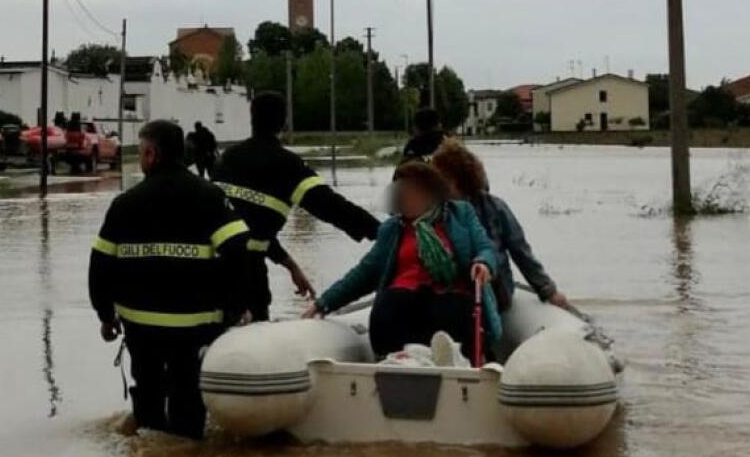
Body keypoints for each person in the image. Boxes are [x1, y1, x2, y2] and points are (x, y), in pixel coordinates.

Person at [89, 120, 253, 439]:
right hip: (196, 324)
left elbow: (100, 266)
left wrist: (106, 316)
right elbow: (238, 252)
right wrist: (236, 307)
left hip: (141, 326)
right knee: (189, 396)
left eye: (141, 152)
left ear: (151, 154)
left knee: (147, 394)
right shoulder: (209, 196)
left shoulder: (125, 203)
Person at [304, 161, 500, 361]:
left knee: (450, 307)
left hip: (449, 297)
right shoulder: (391, 229)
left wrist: (483, 263)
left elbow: (485, 247)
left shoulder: (461, 214)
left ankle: (449, 355)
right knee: (392, 301)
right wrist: (324, 303)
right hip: (403, 302)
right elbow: (364, 273)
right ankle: (404, 357)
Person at [215, 92, 380, 321]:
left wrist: (290, 265)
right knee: (255, 334)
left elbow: (245, 226)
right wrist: (383, 232)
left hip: (210, 272)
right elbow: (331, 207)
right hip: (247, 276)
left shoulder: (227, 159)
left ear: (251, 118)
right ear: (284, 123)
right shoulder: (286, 164)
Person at [431, 138, 571, 312]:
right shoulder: (434, 210)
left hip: (492, 286)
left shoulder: (494, 208)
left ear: (457, 179)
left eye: (441, 176)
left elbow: (520, 251)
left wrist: (547, 290)